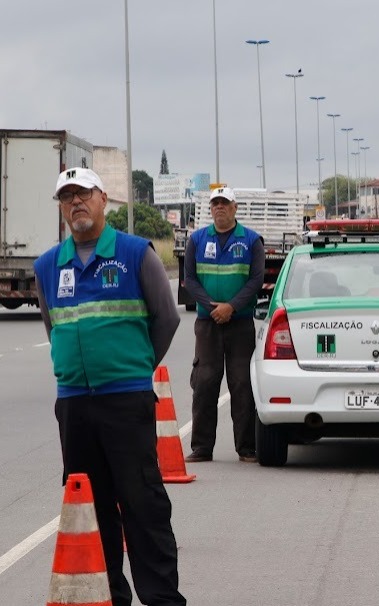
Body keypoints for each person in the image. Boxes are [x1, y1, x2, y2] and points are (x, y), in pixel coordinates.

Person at [34, 167, 186, 606]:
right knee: (91, 508)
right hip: (75, 406)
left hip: (127, 399)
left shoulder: (135, 254)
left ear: (104, 199)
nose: (75, 203)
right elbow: (53, 327)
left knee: (142, 504)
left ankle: (161, 598)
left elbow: (168, 318)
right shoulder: (47, 265)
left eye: (83, 194)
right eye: (67, 198)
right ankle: (109, 596)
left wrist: (134, 368)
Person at [183, 186, 264, 463]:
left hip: (240, 325)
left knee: (242, 384)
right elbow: (190, 280)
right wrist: (211, 306)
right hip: (207, 325)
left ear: (234, 208)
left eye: (224, 203)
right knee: (204, 383)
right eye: (215, 203)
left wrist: (231, 307)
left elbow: (255, 281)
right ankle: (202, 448)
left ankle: (246, 447)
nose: (219, 207)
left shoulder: (252, 241)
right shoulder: (196, 239)